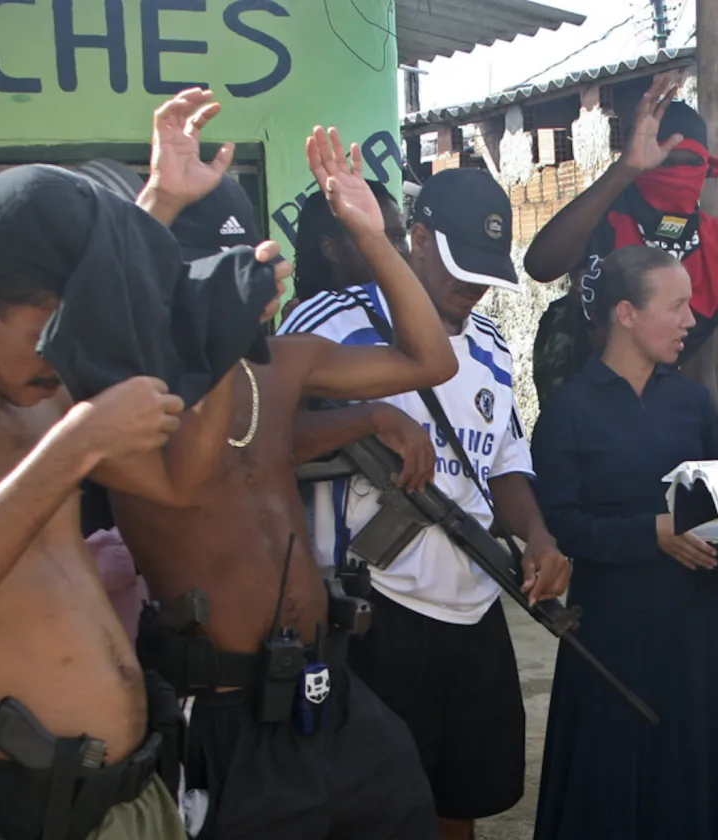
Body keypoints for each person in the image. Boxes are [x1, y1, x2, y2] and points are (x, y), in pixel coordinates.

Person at [110, 89, 457, 838]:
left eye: (252, 260)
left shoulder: (282, 365)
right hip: (221, 710)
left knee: (405, 807)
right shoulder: (131, 383)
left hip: (326, 689)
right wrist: (158, 205)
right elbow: (192, 475)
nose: (250, 279)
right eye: (221, 268)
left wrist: (372, 237)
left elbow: (430, 361)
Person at [0, 158, 286, 837]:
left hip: (124, 794)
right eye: (48, 329)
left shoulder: (44, 403)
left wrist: (215, 343)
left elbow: (179, 483)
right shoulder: (62, 423)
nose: (59, 356)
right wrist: (77, 443)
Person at [281, 167, 572, 840]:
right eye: (459, 267)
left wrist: (538, 537)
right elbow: (259, 442)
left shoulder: (493, 345)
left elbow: (504, 464)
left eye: (485, 275)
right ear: (415, 239)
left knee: (456, 801)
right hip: (369, 612)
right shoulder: (332, 319)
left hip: (472, 604)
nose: (471, 290)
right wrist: (368, 420)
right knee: (370, 811)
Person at [530, 245, 718, 840]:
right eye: (678, 305)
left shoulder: (691, 403)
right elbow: (561, 526)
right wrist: (648, 533)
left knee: (693, 791)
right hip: (611, 638)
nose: (691, 320)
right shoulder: (567, 412)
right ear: (626, 314)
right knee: (611, 796)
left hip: (697, 634)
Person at [525, 73, 718, 405]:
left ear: (708, 168)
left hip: (678, 422)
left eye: (690, 163)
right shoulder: (603, 219)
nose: (675, 174)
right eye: (663, 162)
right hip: (590, 416)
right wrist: (623, 171)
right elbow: (540, 265)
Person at [283, 180, 409, 321]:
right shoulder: (310, 328)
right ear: (331, 249)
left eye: (399, 236)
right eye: (373, 240)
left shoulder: (420, 313)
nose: (395, 251)